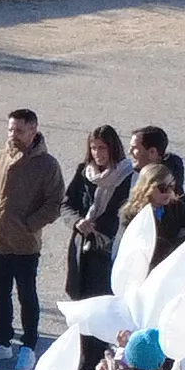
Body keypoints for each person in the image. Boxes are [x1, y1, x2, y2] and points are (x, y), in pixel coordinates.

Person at [0, 108, 65, 370]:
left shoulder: (47, 165)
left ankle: (28, 347)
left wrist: (30, 224)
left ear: (33, 131)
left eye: (20, 130)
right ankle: (2, 343)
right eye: (11, 129)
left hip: (25, 245)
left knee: (27, 295)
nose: (14, 134)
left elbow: (55, 202)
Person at [61, 125, 131, 300]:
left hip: (109, 249)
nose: (97, 153)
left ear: (112, 148)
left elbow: (127, 213)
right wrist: (77, 222)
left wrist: (99, 226)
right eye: (93, 148)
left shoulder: (128, 175)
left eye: (102, 148)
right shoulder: (84, 172)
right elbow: (66, 204)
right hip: (82, 247)